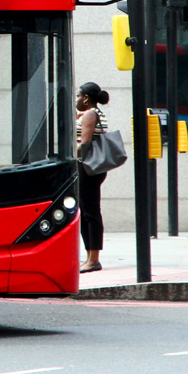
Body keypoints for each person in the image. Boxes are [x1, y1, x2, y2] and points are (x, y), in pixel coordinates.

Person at [77, 81, 110, 273]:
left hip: (88, 167)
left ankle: (93, 259)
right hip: (92, 168)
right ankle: (90, 257)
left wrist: (69, 153)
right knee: (87, 211)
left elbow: (85, 143)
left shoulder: (90, 114)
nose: (76, 99)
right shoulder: (94, 113)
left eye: (78, 96)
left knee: (90, 212)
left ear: (86, 98)